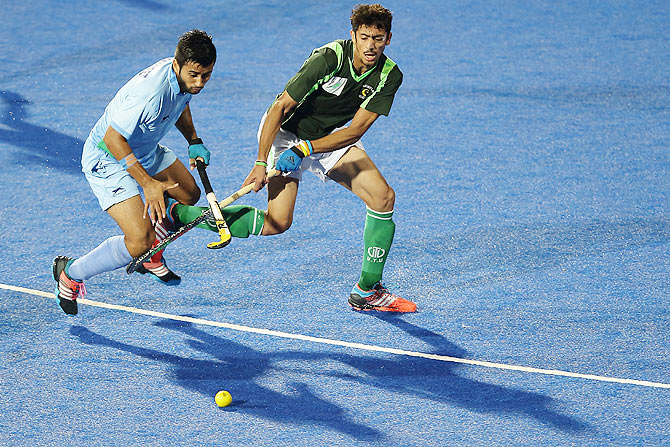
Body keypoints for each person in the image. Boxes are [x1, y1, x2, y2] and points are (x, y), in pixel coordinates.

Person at [171, 5, 415, 312]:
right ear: (353, 35)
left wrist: (305, 150)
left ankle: (367, 289)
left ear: (388, 39)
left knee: (382, 197)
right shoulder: (329, 58)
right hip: (284, 131)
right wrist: (261, 162)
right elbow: (280, 107)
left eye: (378, 38)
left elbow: (354, 131)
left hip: (328, 138)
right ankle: (178, 215)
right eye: (364, 37)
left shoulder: (389, 76)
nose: (370, 45)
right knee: (277, 222)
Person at [53, 30, 217, 315]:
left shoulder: (182, 77)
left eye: (206, 75)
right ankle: (71, 273)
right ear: (177, 64)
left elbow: (181, 104)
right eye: (194, 75)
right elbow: (113, 139)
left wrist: (194, 141)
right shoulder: (150, 93)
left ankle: (154, 249)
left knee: (189, 193)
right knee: (138, 241)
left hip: (143, 148)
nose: (199, 83)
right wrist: (148, 184)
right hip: (108, 158)